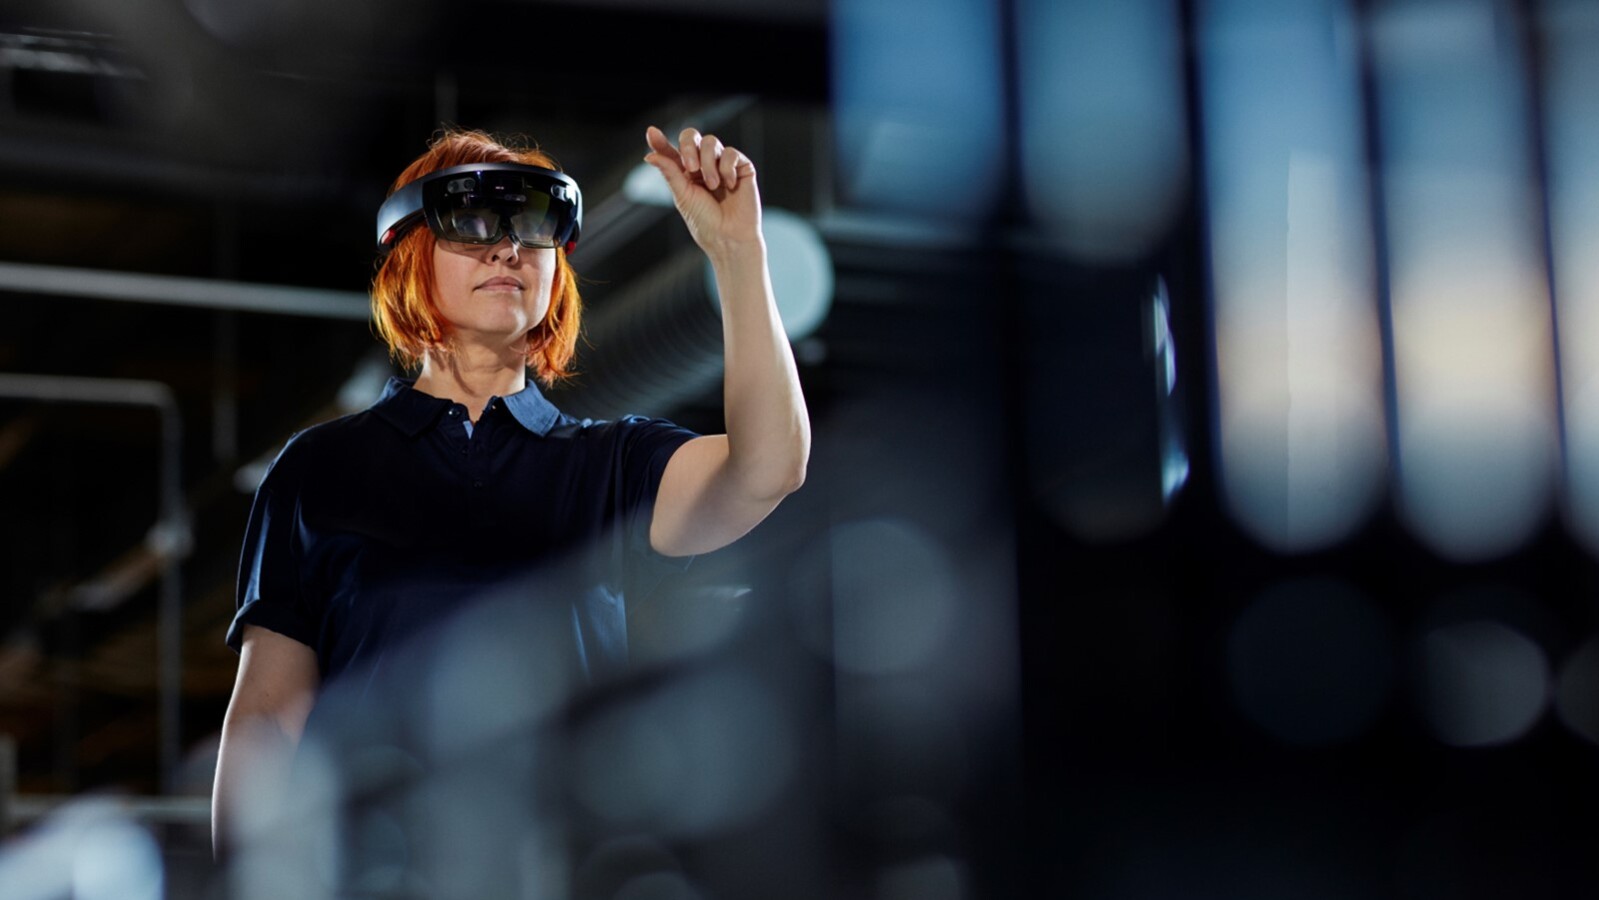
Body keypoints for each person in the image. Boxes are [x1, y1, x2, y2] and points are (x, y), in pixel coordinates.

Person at [211, 125, 810, 859]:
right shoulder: (319, 471)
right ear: (406, 253)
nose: (508, 250)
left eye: (531, 227)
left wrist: (737, 252)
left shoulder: (613, 465)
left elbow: (767, 467)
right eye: (470, 222)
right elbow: (269, 726)